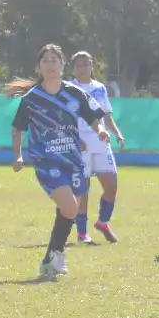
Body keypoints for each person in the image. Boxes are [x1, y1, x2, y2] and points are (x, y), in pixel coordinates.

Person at [8, 44, 108, 281]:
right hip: (46, 160)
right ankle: (57, 254)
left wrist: (101, 131)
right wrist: (18, 155)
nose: (50, 64)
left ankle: (50, 258)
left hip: (72, 160)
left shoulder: (74, 93)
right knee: (71, 207)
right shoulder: (32, 99)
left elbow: (94, 116)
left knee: (67, 209)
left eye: (55, 60)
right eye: (46, 61)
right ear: (39, 67)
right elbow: (17, 128)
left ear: (62, 65)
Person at [65, 52, 125, 244]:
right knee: (82, 189)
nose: (83, 68)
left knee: (111, 185)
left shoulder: (99, 88)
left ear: (92, 66)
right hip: (80, 143)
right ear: (73, 68)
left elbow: (105, 115)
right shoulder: (69, 88)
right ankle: (82, 234)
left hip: (101, 141)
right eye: (79, 65)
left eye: (86, 64)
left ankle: (102, 222)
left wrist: (117, 132)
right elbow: (65, 118)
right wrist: (74, 139)